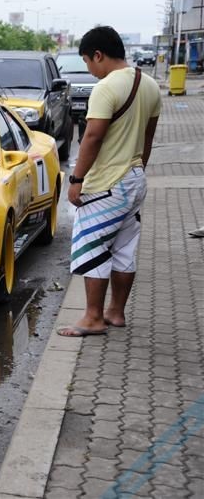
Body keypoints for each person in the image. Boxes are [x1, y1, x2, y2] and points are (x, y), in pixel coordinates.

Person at [57, 26, 161, 337]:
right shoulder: (150, 84)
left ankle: (92, 318)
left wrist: (76, 179)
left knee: (94, 247)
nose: (89, 69)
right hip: (134, 178)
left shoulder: (106, 87)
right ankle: (115, 312)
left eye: (87, 61)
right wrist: (137, 170)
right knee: (124, 249)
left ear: (98, 55)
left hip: (106, 184)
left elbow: (92, 136)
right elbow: (148, 137)